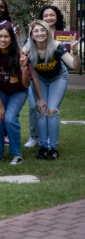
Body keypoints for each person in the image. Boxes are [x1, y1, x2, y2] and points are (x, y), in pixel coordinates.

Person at [27, 20, 81, 160]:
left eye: (43, 30)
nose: (40, 33)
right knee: (42, 110)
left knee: (52, 110)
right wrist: (40, 99)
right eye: (36, 31)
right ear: (32, 35)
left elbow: (74, 65)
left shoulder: (57, 46)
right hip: (40, 80)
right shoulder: (28, 50)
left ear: (48, 32)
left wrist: (75, 52)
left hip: (58, 77)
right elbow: (34, 76)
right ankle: (43, 147)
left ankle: (53, 148)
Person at [0, 24, 33, 165]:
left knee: (9, 119)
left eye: (6, 36)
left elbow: (26, 85)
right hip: (1, 90)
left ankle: (16, 154)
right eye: (0, 36)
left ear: (12, 38)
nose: (3, 39)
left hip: (18, 91)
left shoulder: (19, 55)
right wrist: (0, 106)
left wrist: (23, 67)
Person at [25, 5, 67, 148]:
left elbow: (71, 62)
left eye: (52, 15)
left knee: (51, 109)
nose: (49, 18)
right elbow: (25, 55)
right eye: (46, 15)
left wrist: (73, 54)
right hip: (38, 76)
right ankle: (35, 137)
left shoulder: (60, 37)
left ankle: (51, 143)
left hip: (56, 74)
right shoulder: (33, 37)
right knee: (35, 106)